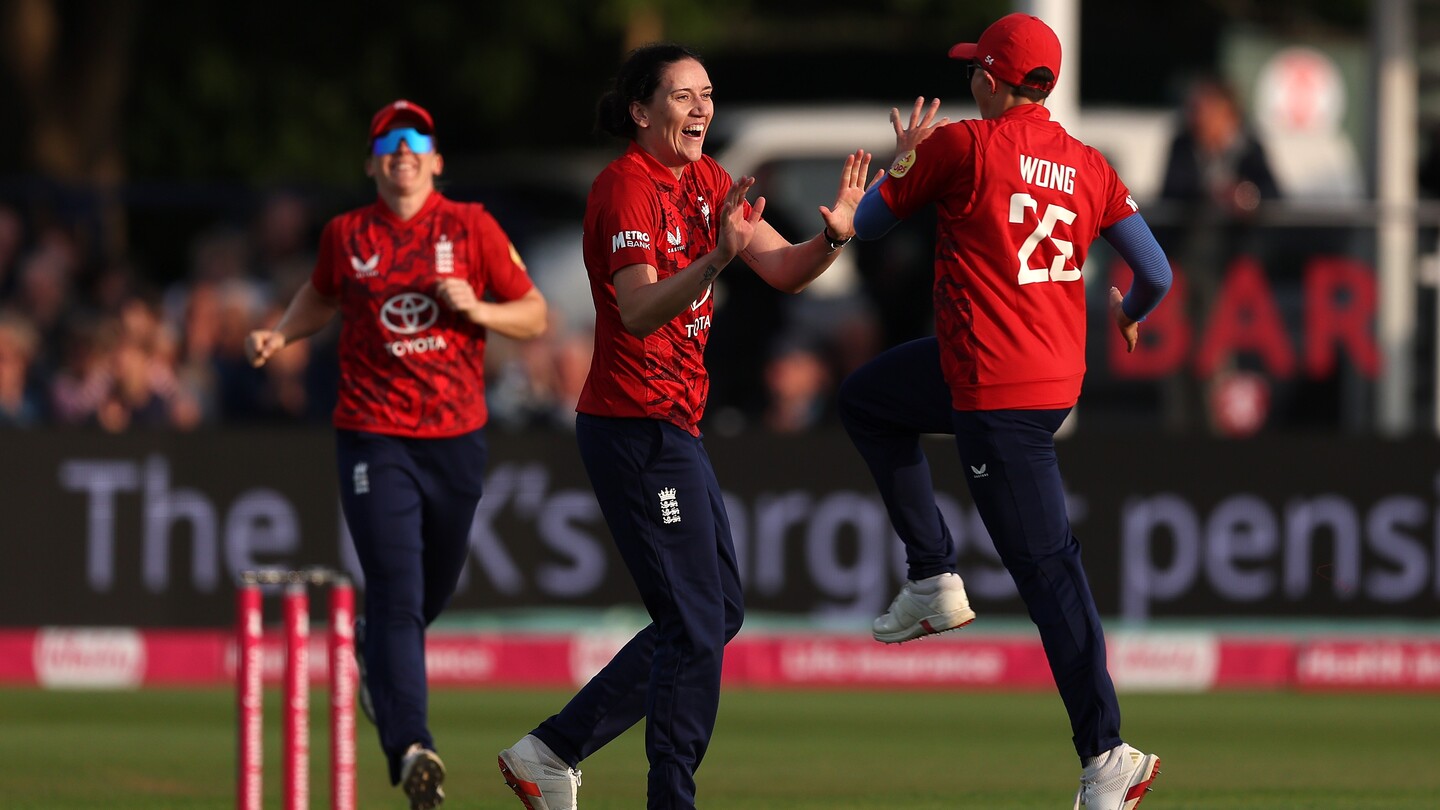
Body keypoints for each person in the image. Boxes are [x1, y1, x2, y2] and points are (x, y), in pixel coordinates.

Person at [497, 43, 869, 810]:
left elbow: (784, 269)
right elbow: (636, 310)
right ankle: (666, 796)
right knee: (694, 621)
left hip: (675, 427)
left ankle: (552, 750)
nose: (701, 108)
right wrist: (714, 262)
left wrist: (834, 236)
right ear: (641, 111)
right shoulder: (625, 188)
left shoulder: (709, 180)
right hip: (632, 427)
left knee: (716, 611)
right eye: (682, 95)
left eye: (707, 94)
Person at [839, 14, 1173, 810]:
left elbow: (868, 224)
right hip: (1045, 380)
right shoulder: (1089, 163)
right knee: (869, 399)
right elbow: (1155, 272)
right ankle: (932, 574)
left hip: (997, 391)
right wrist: (1128, 312)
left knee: (1048, 570)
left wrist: (904, 159)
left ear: (990, 80)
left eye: (973, 72)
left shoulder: (962, 146)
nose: (969, 82)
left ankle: (1107, 753)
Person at [245, 99, 548, 810]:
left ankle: (372, 650)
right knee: (398, 590)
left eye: (415, 139)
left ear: (435, 160)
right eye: (388, 141)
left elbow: (534, 315)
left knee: (428, 591)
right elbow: (320, 296)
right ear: (371, 163)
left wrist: (476, 309)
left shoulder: (471, 226)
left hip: (456, 436)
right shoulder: (347, 234)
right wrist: (281, 334)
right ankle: (413, 745)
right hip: (373, 434)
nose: (402, 149)